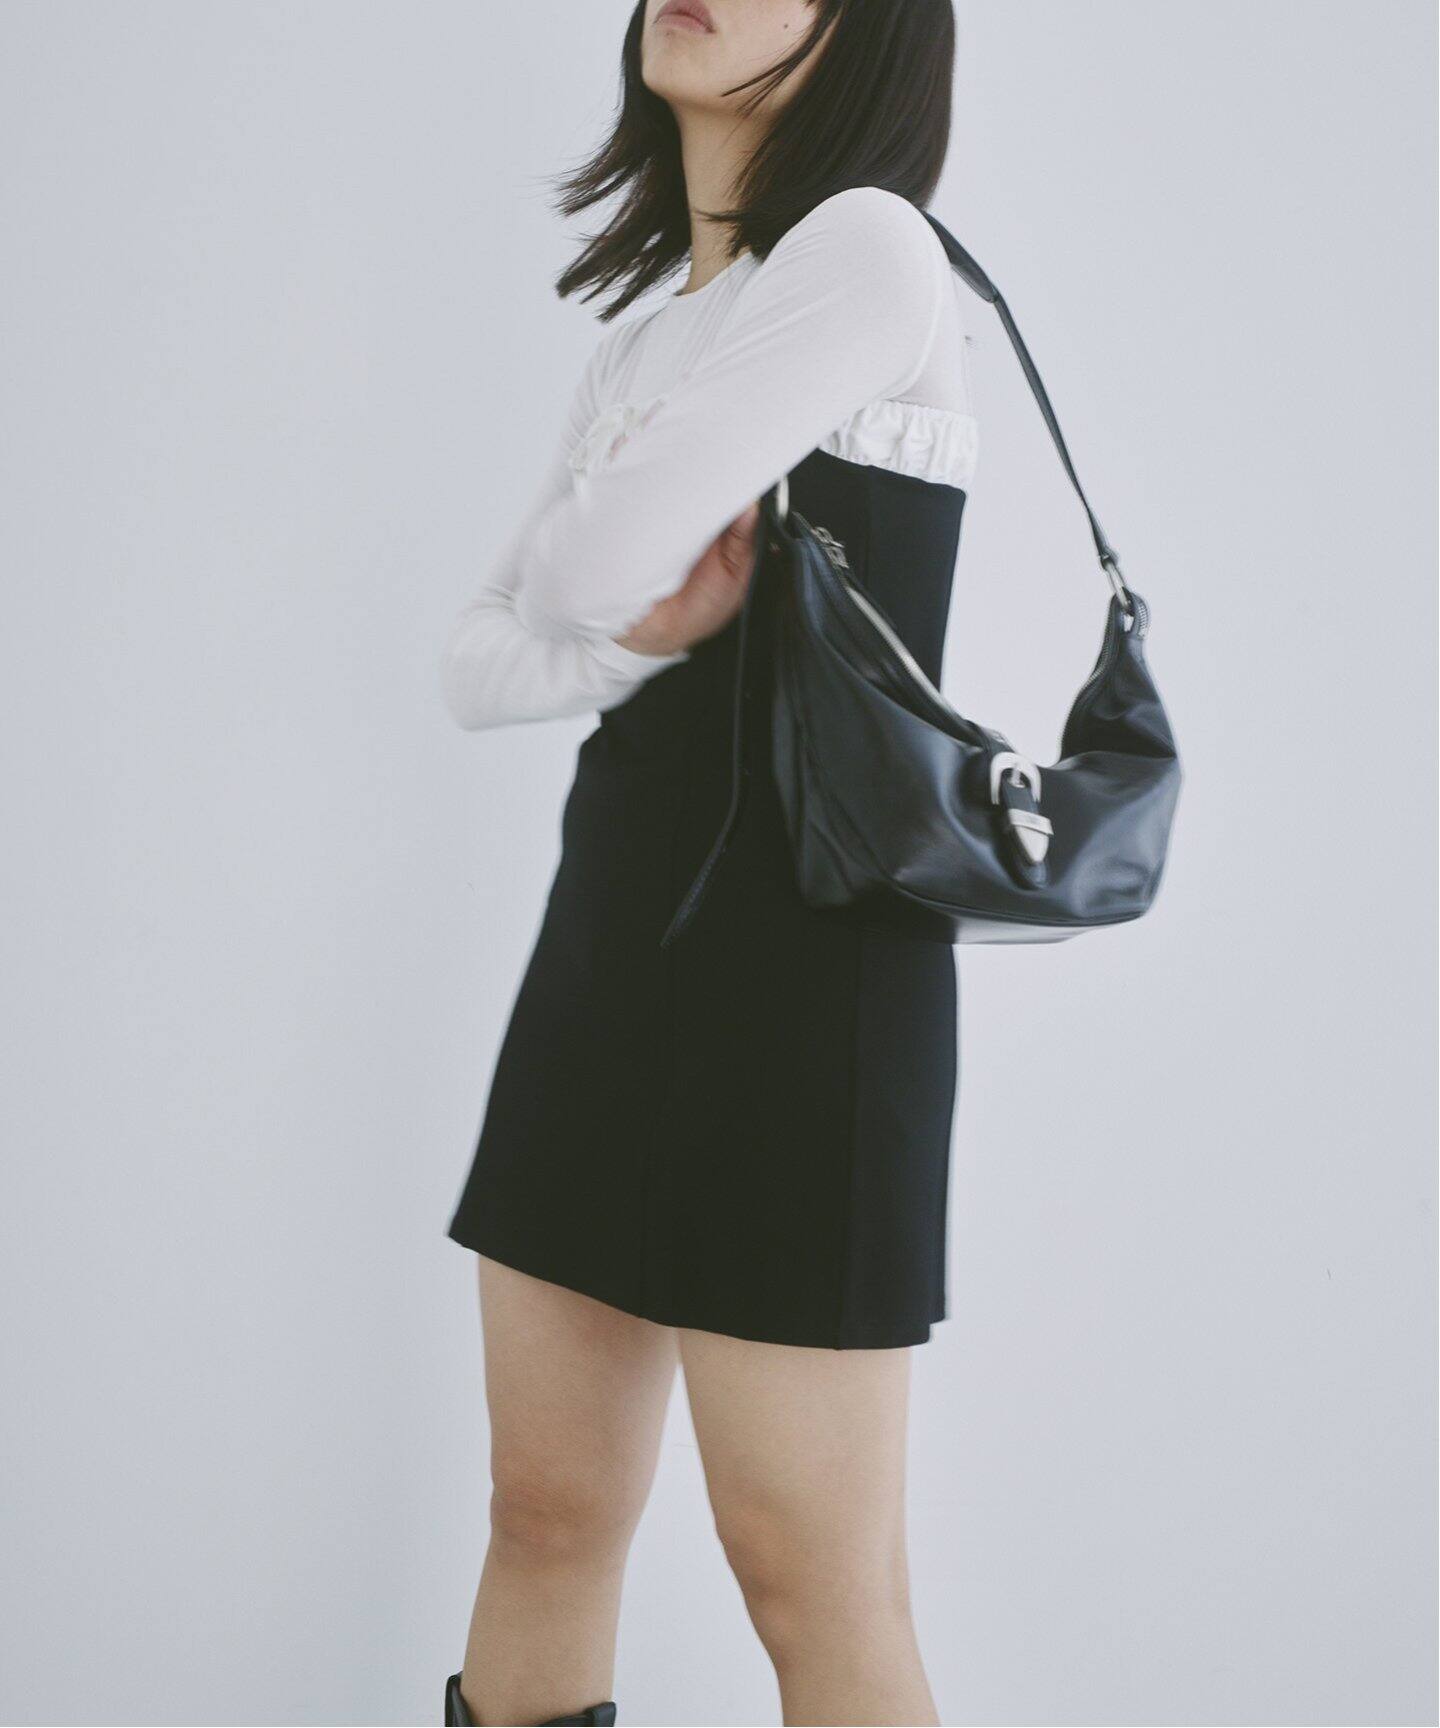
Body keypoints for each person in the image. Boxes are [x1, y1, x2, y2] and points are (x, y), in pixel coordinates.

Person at [439, 2, 977, 1722]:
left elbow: (576, 570)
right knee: (546, 1514)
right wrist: (646, 635)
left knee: (810, 1583)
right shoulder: (649, 341)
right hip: (611, 941)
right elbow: (478, 665)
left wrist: (606, 606)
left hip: (808, 973)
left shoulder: (871, 253)